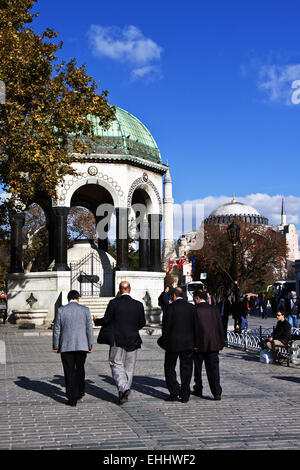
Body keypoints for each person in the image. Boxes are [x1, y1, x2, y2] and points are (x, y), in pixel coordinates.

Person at [93, 281, 145, 405]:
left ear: (120, 289)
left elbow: (106, 320)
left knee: (115, 363)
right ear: (129, 289)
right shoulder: (138, 304)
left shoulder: (113, 303)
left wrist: (96, 320)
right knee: (129, 367)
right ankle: (124, 391)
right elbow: (142, 323)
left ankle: (123, 388)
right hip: (133, 339)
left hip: (117, 339)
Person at [53, 290, 93, 407]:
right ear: (78, 298)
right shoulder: (85, 310)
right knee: (80, 369)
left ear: (68, 298)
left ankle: (72, 397)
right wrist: (90, 344)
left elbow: (57, 329)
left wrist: (56, 345)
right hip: (82, 345)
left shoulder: (61, 310)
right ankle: (80, 391)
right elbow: (89, 329)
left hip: (66, 346)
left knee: (69, 371)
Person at [161, 287, 198, 403]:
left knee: (169, 368)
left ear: (174, 296)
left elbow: (165, 327)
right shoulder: (191, 308)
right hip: (188, 343)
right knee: (186, 369)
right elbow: (196, 327)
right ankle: (185, 393)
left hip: (172, 343)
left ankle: (174, 391)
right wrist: (196, 343)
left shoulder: (170, 308)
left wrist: (165, 342)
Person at [192, 290, 224, 401]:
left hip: (199, 344)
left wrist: (194, 343)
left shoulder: (195, 310)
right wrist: (221, 341)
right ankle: (216, 392)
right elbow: (220, 325)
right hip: (214, 344)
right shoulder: (214, 309)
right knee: (214, 369)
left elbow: (194, 329)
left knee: (198, 369)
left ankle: (198, 388)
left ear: (197, 298)